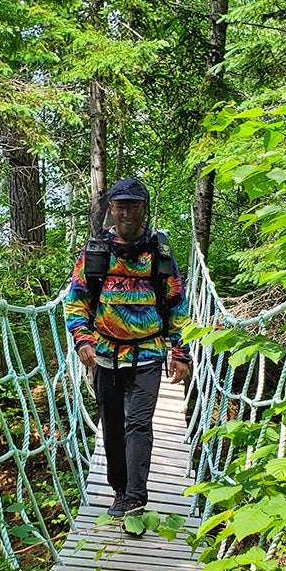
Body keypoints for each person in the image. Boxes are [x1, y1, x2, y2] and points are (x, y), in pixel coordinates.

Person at [65, 177, 191, 519]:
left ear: (143, 209)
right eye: (120, 205)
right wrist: (82, 339)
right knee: (113, 425)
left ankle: (135, 495)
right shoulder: (97, 251)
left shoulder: (158, 251)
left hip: (148, 352)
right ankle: (119, 490)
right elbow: (76, 301)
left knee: (138, 423)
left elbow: (176, 304)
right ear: (110, 209)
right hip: (106, 353)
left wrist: (180, 353)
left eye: (133, 206)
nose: (126, 212)